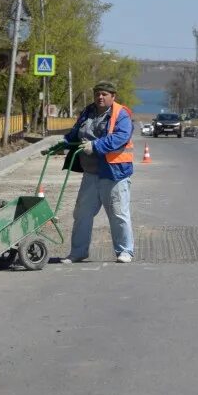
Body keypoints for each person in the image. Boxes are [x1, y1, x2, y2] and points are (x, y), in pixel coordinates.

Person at [60, 81, 135, 264]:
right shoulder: (88, 111)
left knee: (118, 214)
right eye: (97, 94)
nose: (99, 97)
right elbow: (77, 131)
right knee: (82, 214)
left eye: (104, 94)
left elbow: (121, 137)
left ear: (113, 96)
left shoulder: (121, 114)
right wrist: (63, 143)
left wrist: (95, 145)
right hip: (91, 173)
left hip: (114, 174)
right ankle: (78, 252)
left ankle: (125, 251)